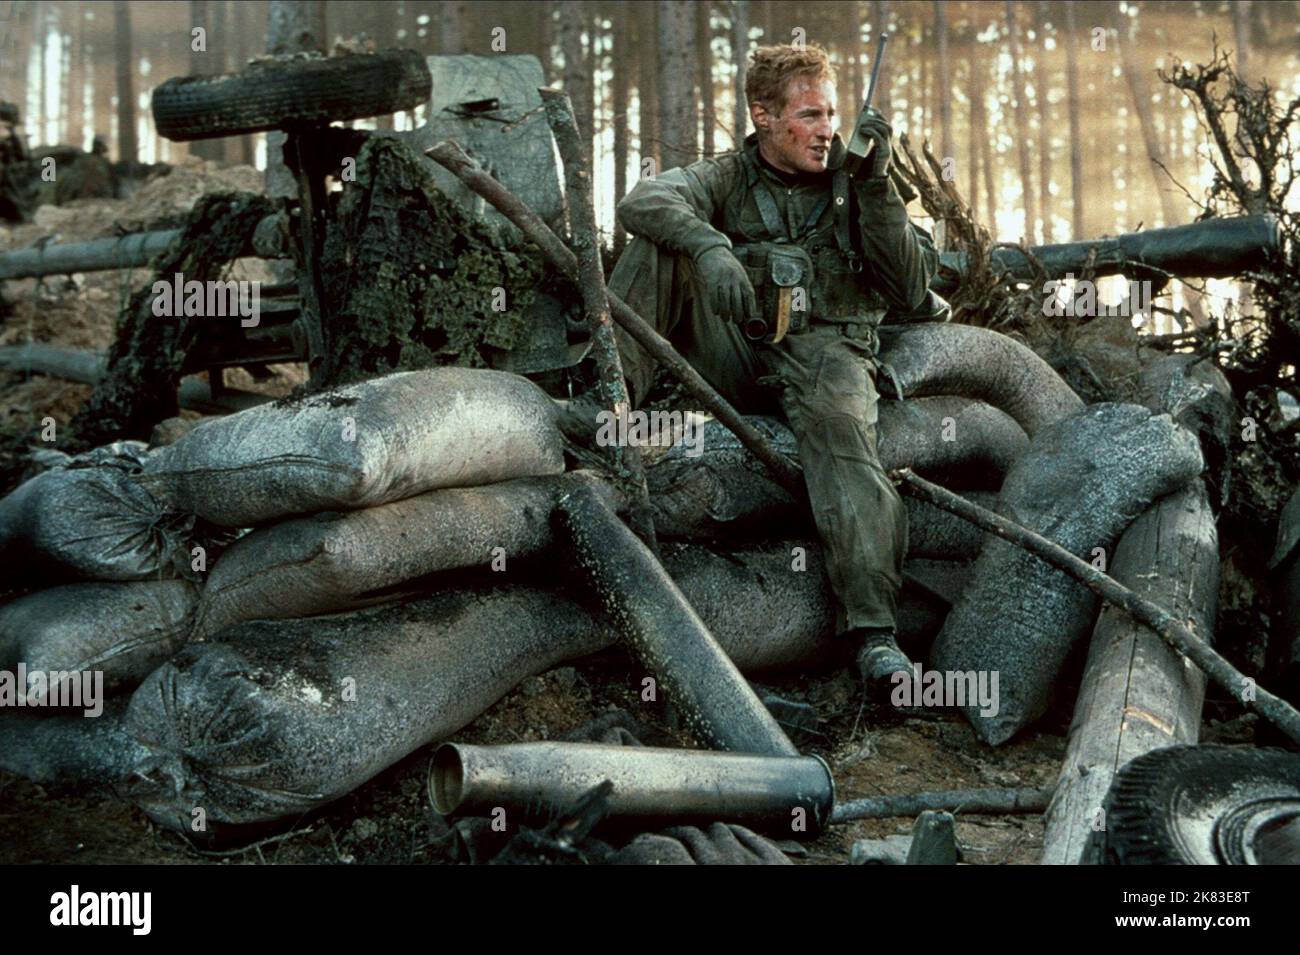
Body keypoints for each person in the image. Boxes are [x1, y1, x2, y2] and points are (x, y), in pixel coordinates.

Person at [602, 42, 946, 695]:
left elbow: (908, 286)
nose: (826, 131)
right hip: (738, 349)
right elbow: (644, 200)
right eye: (809, 116)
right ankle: (606, 414)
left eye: (831, 114)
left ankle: (873, 633)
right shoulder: (730, 176)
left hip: (828, 353)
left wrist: (877, 185)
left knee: (845, 441)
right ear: (763, 115)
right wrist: (707, 247)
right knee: (661, 246)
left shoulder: (860, 176)